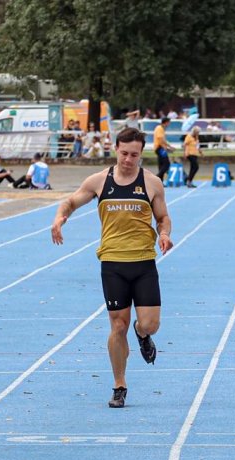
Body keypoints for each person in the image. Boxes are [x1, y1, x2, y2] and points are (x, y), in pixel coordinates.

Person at [51, 127, 173, 408]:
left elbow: (163, 217)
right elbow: (70, 201)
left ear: (141, 155)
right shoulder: (99, 181)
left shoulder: (152, 182)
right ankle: (119, 385)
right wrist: (59, 218)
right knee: (117, 325)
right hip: (112, 263)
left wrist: (164, 234)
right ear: (115, 149)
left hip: (143, 262)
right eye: (124, 153)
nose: (129, 159)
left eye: (135, 155)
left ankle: (141, 334)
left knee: (150, 324)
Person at [153, 117, 174, 182]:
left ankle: (160, 181)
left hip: (160, 148)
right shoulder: (160, 128)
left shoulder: (160, 128)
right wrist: (169, 147)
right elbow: (161, 139)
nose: (169, 124)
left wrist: (167, 148)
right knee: (167, 164)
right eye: (169, 122)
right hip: (160, 148)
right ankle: (157, 178)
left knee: (161, 165)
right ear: (166, 122)